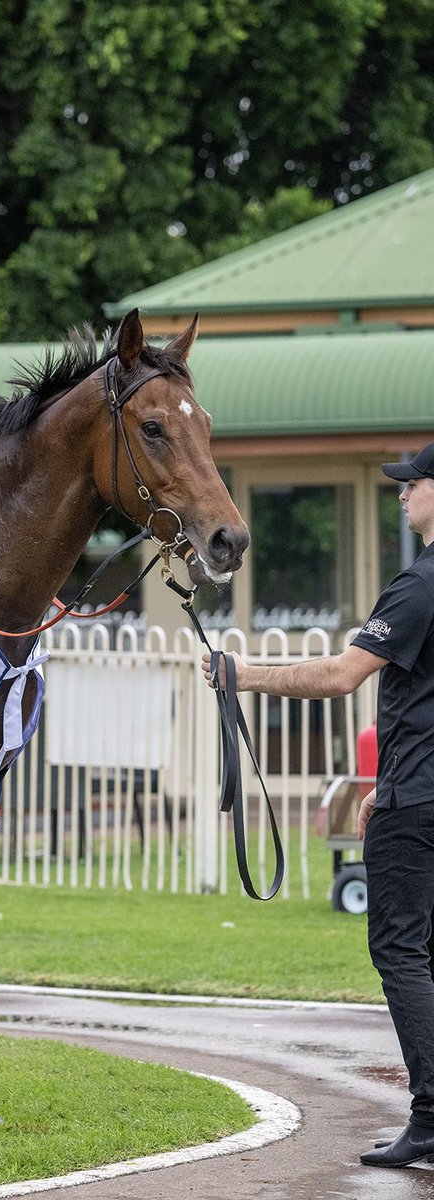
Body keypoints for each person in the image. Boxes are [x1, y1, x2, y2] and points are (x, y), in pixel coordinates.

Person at [202, 441, 434, 1169]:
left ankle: (430, 1115)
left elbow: (341, 676)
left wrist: (242, 674)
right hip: (415, 791)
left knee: (399, 949)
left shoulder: (419, 586)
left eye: (412, 485)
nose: (401, 495)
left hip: (419, 800)